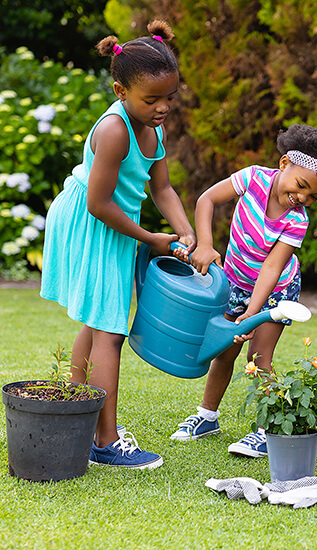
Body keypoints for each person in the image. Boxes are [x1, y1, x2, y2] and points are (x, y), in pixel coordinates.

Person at [40, 20, 196, 469]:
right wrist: (152, 239)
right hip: (92, 223)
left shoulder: (155, 126)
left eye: (171, 96)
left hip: (116, 225)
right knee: (109, 331)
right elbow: (98, 203)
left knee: (96, 321)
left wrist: (186, 233)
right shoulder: (115, 130)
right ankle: (105, 442)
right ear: (120, 90)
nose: (164, 107)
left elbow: (162, 188)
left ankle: (78, 415)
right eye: (152, 99)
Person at [170, 124, 317, 457]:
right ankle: (206, 417)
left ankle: (267, 432)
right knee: (225, 351)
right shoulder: (253, 179)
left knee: (259, 357)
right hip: (235, 282)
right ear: (284, 164)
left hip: (275, 293)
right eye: (301, 186)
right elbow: (206, 199)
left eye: (313, 196)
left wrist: (252, 313)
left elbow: (272, 266)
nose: (303, 198)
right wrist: (207, 244)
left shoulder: (297, 220)